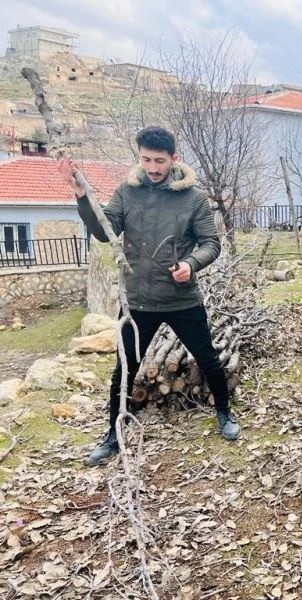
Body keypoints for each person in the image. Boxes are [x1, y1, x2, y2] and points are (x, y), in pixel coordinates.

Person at [57, 126, 240, 465]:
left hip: (181, 298)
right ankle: (114, 433)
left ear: (174, 158)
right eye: (146, 160)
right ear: (139, 157)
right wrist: (81, 196)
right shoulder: (127, 191)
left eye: (160, 161)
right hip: (138, 301)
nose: (153, 168)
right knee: (124, 370)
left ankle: (224, 413)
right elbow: (104, 232)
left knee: (208, 358)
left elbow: (211, 244)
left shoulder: (194, 198)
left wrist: (190, 264)